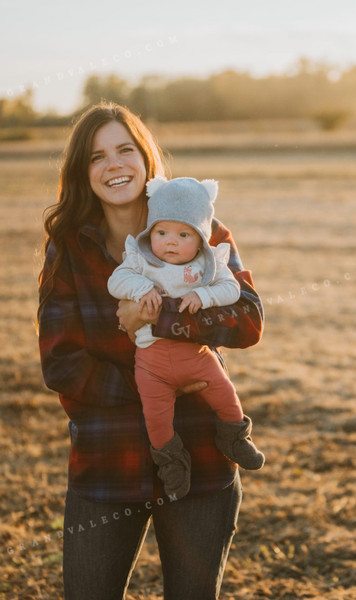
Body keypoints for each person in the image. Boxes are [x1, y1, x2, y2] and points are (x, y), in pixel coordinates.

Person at [37, 102, 264, 600]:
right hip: (107, 459)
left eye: (124, 150)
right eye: (97, 157)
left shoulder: (198, 228)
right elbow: (62, 363)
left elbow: (247, 321)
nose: (113, 165)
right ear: (83, 171)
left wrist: (157, 319)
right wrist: (153, 390)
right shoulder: (70, 247)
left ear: (146, 160)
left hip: (202, 456)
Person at [107, 175, 264, 501]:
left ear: (201, 239)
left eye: (183, 234)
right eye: (162, 233)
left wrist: (204, 297)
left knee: (224, 392)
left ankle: (234, 437)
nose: (171, 242)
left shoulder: (208, 265)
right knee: (157, 416)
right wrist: (141, 289)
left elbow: (232, 289)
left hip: (196, 356)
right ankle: (172, 463)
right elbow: (117, 281)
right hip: (152, 361)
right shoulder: (143, 260)